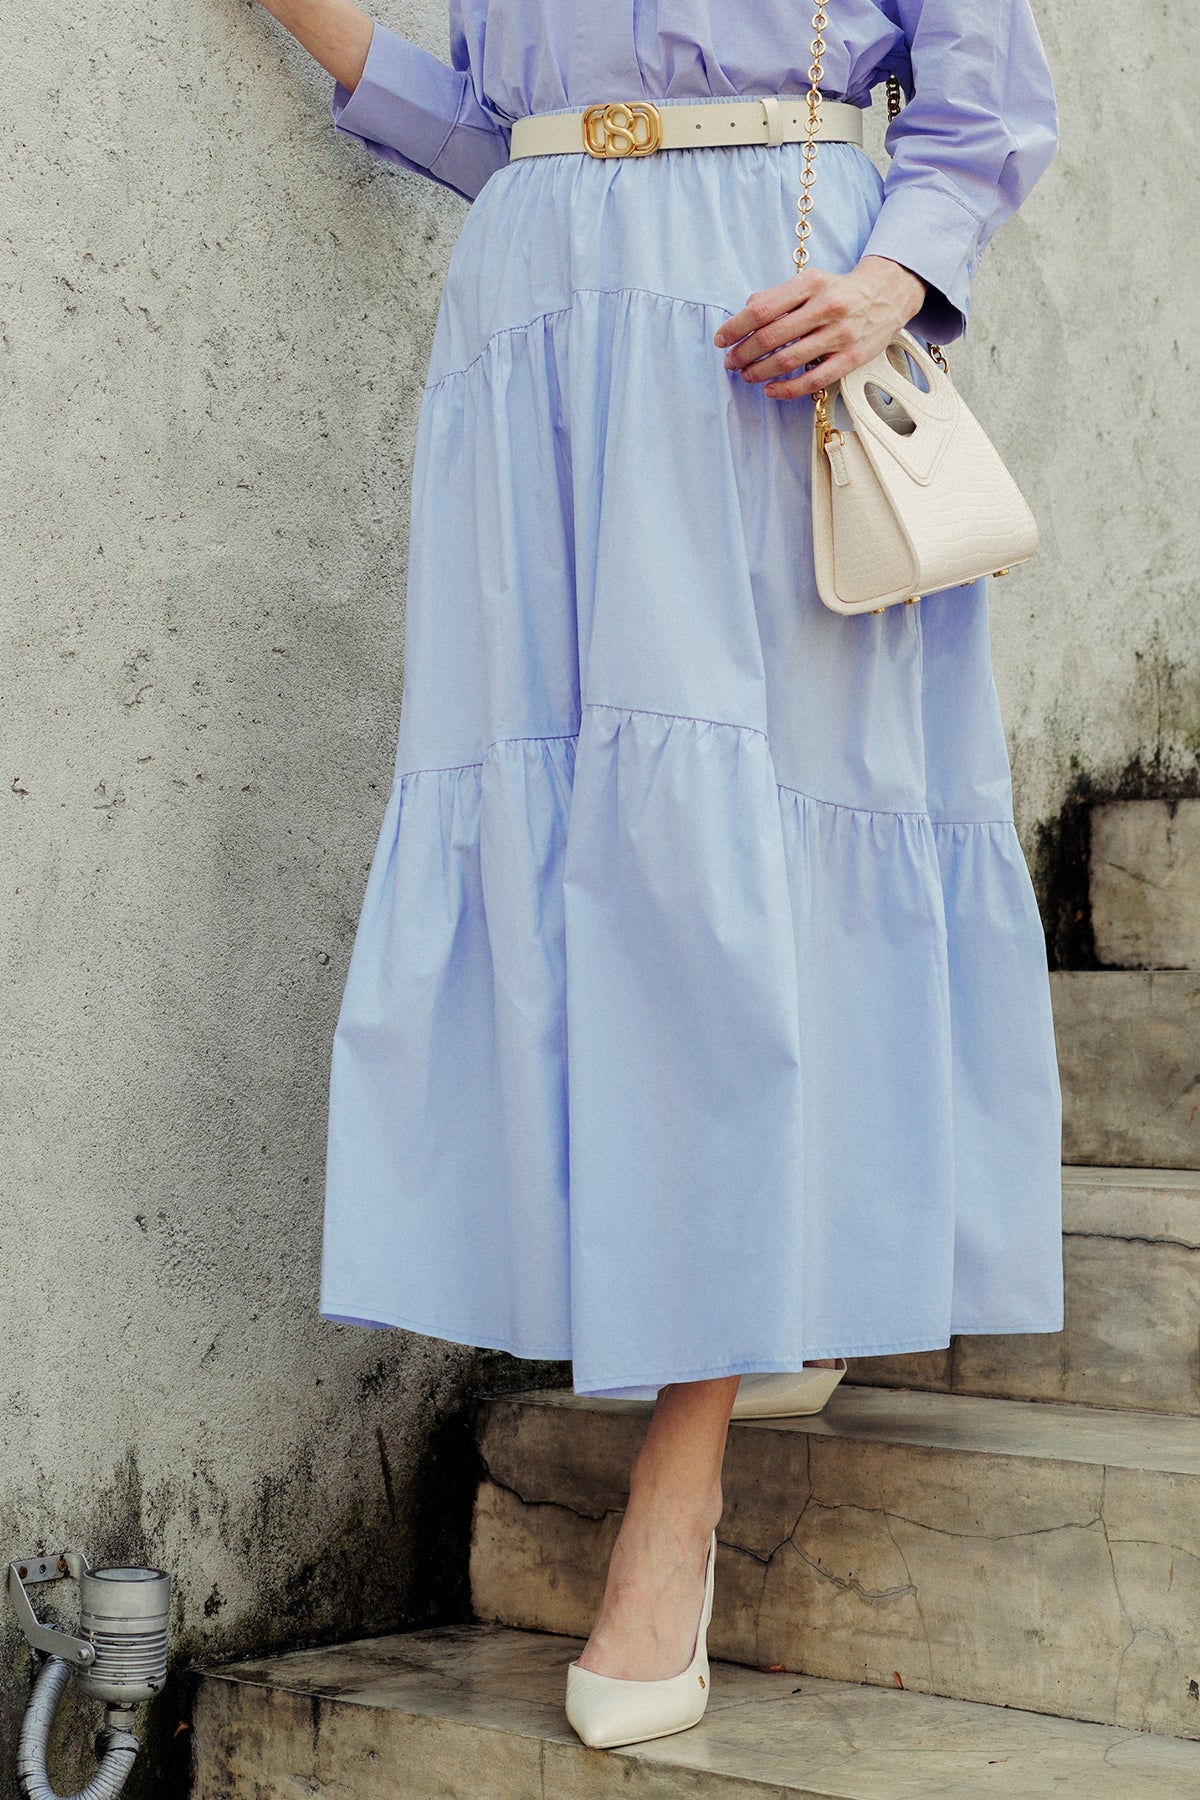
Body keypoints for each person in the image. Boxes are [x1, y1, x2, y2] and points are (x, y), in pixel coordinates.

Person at [247, 0, 1063, 1750]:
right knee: (595, 864)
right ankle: (767, 1275)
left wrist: (890, 285)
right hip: (535, 340)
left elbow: (986, 100)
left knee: (719, 866)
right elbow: (500, 130)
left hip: (759, 334)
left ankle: (677, 1490)